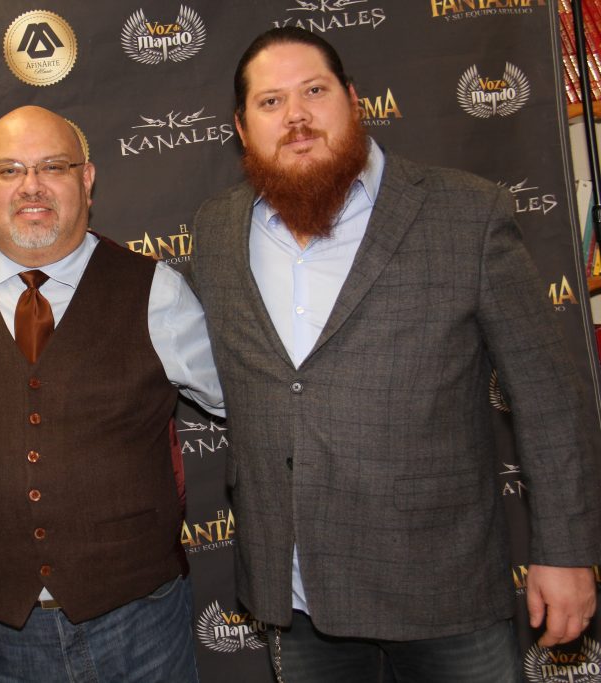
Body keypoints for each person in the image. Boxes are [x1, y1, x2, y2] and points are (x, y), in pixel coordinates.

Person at [190, 26, 601, 683]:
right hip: (295, 595)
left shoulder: (467, 213)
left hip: (444, 589)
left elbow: (551, 396)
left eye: (314, 92)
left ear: (354, 100)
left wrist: (568, 552)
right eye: (270, 103)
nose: (294, 116)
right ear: (242, 128)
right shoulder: (217, 228)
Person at [0, 105, 223, 682]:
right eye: (8, 171)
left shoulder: (154, 291)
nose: (31, 186)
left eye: (53, 166)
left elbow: (253, 394)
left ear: (87, 178)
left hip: (140, 622)